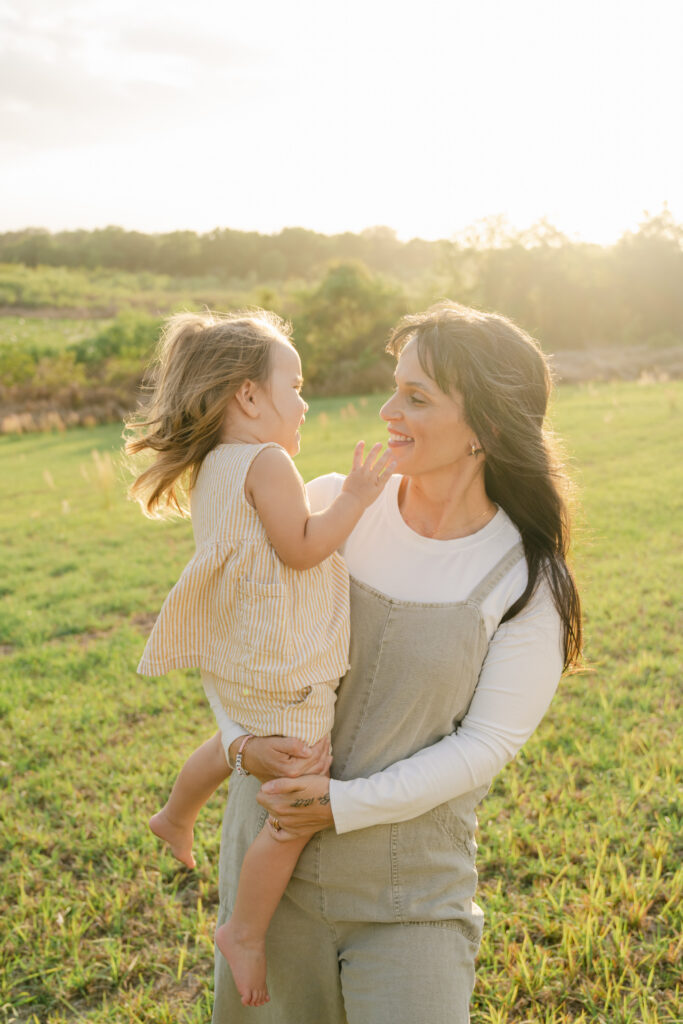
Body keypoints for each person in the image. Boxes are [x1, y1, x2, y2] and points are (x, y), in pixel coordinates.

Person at [211, 301, 582, 1023]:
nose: (387, 409)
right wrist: (241, 743)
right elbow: (233, 643)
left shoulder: (527, 579)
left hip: (407, 892)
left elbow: (486, 746)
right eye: (395, 386)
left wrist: (341, 806)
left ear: (488, 428)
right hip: (269, 875)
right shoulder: (325, 511)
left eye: (416, 397)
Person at [126, 310, 394, 1007]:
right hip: (281, 663)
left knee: (232, 739)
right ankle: (244, 931)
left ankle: (175, 814)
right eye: (295, 385)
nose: (304, 402)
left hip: (238, 654)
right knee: (295, 793)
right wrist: (358, 498)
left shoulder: (216, 465)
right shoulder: (268, 461)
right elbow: (302, 546)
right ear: (248, 396)